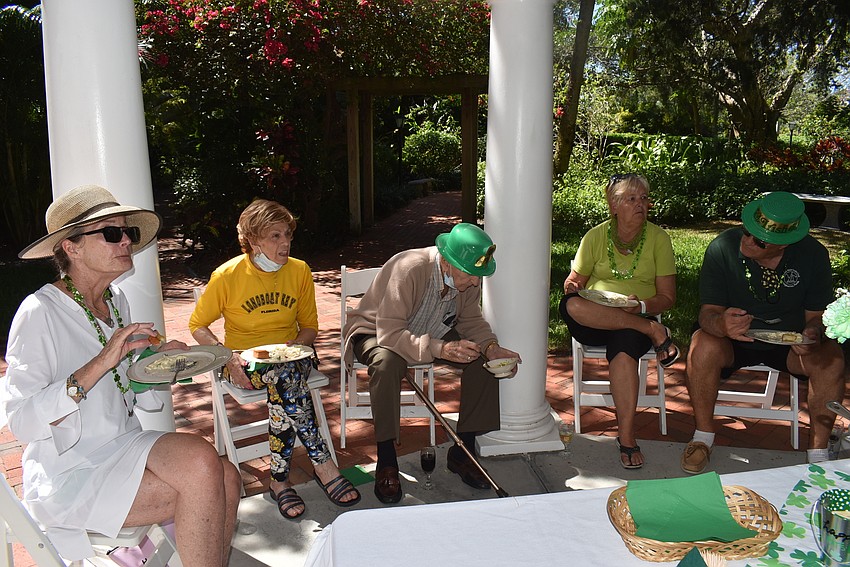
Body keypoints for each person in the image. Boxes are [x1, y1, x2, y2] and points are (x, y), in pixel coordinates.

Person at [0, 185, 241, 565]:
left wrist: (157, 362)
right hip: (69, 472)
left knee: (225, 474)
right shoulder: (39, 312)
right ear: (71, 247)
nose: (126, 240)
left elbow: (132, 391)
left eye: (128, 232)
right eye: (112, 233)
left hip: (122, 445)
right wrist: (101, 362)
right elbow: (22, 423)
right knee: (203, 471)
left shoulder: (115, 300)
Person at [190, 199, 360, 519]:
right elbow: (197, 326)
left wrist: (297, 344)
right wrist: (228, 359)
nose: (285, 244)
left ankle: (279, 482)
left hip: (293, 358)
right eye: (275, 236)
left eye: (287, 235)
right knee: (287, 383)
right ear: (253, 241)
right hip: (245, 362)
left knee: (285, 377)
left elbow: (310, 326)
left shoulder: (299, 270)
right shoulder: (227, 276)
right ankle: (321, 465)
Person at [342, 222, 521, 504]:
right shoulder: (410, 269)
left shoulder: (467, 276)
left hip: (430, 330)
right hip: (376, 331)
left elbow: (471, 320)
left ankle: (464, 452)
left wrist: (492, 347)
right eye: (471, 275)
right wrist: (441, 348)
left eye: (478, 276)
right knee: (387, 364)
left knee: (480, 359)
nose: (476, 282)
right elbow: (389, 334)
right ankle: (387, 460)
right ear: (448, 263)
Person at [681, 191, 845, 474]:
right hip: (733, 341)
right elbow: (707, 313)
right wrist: (721, 323)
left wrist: (813, 335)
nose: (746, 241)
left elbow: (817, 318)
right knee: (701, 344)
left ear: (783, 246)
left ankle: (818, 455)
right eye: (747, 232)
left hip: (790, 343)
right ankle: (703, 437)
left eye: (758, 240)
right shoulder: (723, 247)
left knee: (832, 360)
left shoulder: (813, 255)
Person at [559, 173, 678, 469]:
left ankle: (626, 437)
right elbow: (575, 280)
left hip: (634, 314)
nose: (641, 204)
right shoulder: (596, 236)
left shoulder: (658, 238)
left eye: (644, 198)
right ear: (614, 205)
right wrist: (572, 285)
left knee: (624, 352)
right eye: (632, 199)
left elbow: (667, 296)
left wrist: (641, 306)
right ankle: (653, 330)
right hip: (596, 318)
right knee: (570, 305)